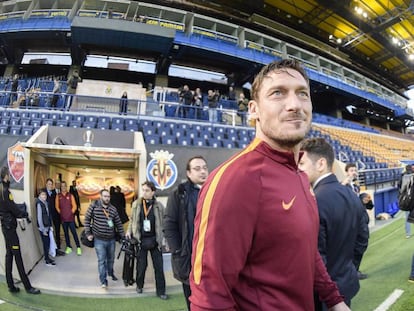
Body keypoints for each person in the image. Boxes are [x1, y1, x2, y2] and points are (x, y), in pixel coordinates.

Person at [189, 59, 350, 310]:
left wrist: (335, 300)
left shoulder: (298, 174)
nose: (294, 105)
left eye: (302, 94)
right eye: (278, 93)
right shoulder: (235, 180)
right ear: (253, 109)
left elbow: (307, 249)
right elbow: (209, 296)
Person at [299, 137, 369, 309]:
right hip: (345, 284)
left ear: (321, 163)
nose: (297, 169)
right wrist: (350, 267)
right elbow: (363, 237)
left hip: (324, 297)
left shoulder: (314, 202)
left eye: (301, 164)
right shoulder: (350, 194)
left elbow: (316, 256)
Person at [164, 156, 209, 310]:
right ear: (188, 173)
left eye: (204, 168)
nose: (202, 171)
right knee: (193, 301)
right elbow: (169, 225)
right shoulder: (179, 194)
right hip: (189, 258)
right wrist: (178, 250)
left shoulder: (214, 191)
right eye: (197, 169)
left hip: (211, 258)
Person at [0, 166, 41, 294]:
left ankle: (10, 285)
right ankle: (28, 287)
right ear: (6, 176)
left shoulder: (2, 190)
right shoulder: (5, 191)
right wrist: (24, 214)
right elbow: (13, 209)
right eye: (9, 175)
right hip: (10, 229)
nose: (11, 177)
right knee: (17, 256)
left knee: (9, 255)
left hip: (5, 227)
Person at [126, 181, 168, 300]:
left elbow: (165, 223)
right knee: (141, 267)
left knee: (159, 268)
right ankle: (139, 286)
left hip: (156, 241)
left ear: (153, 192)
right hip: (141, 241)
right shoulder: (136, 204)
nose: (144, 192)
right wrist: (129, 231)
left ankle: (161, 291)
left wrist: (167, 241)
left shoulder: (159, 206)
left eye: (147, 190)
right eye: (143, 190)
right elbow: (132, 220)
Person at [84, 189, 124, 288]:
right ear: (101, 196)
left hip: (111, 240)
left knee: (111, 259)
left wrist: (123, 236)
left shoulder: (113, 209)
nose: (107, 198)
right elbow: (87, 219)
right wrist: (88, 233)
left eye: (108, 196)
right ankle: (103, 281)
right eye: (105, 196)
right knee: (102, 260)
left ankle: (110, 273)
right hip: (99, 240)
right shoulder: (94, 206)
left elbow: (118, 223)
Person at [55, 181, 82, 256]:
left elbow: (74, 206)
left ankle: (78, 247)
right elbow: (57, 206)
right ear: (60, 187)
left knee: (74, 233)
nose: (63, 187)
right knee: (66, 233)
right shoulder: (58, 196)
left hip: (70, 218)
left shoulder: (70, 195)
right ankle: (68, 247)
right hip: (63, 218)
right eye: (62, 186)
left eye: (64, 186)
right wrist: (61, 213)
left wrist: (71, 213)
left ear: (66, 187)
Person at [44, 178, 64, 256]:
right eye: (49, 184)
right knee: (50, 232)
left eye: (51, 184)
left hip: (56, 215)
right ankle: (51, 248)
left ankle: (58, 246)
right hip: (48, 216)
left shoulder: (56, 193)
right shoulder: (45, 193)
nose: (50, 185)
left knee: (57, 231)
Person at [36, 189, 56, 266]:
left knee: (48, 243)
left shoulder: (46, 203)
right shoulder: (39, 204)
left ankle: (48, 257)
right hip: (43, 228)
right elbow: (39, 218)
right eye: (42, 195)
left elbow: (48, 215)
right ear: (39, 195)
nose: (44, 196)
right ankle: (47, 259)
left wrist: (50, 226)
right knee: (46, 244)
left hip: (47, 226)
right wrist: (43, 229)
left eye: (45, 195)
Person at [399, 164, 413, 238]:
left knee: (407, 217)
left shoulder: (402, 177)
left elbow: (400, 187)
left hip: (406, 199)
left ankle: (408, 233)